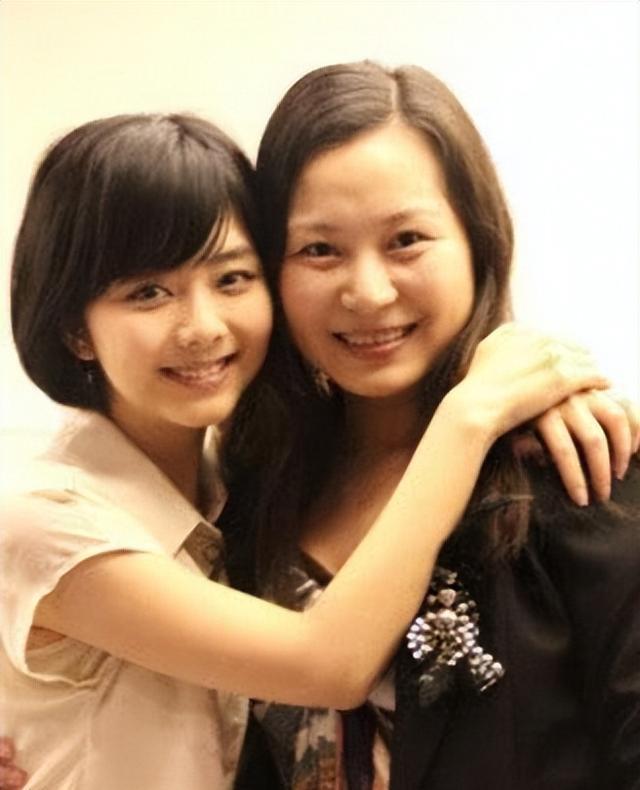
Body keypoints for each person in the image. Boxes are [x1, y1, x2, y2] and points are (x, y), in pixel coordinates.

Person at [3, 112, 628, 790]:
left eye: (232, 278)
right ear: (75, 329)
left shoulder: (234, 488)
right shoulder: (56, 519)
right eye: (147, 293)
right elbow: (326, 665)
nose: (202, 327)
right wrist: (472, 412)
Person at [223, 61, 640, 789]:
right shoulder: (251, 492)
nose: (368, 291)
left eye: (406, 239)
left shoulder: (578, 463)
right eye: (319, 249)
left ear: (478, 242)